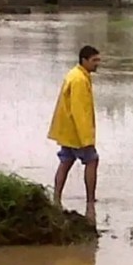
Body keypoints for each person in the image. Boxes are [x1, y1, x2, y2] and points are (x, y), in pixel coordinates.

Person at [48, 45, 101, 223]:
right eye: (94, 60)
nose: (97, 64)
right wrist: (87, 139)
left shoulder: (76, 75)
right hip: (77, 133)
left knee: (66, 161)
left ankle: (56, 198)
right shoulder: (79, 80)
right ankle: (90, 201)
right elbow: (80, 111)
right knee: (92, 160)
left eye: (98, 60)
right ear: (84, 60)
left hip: (68, 132)